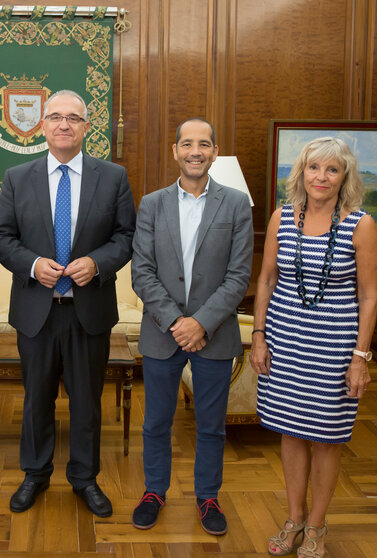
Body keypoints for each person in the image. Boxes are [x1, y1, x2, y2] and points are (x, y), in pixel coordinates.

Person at [0, 90, 136, 518]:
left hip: (89, 311)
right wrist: (33, 265)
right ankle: (35, 474)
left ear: (87, 127)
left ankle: (85, 478)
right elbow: (0, 237)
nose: (64, 124)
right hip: (36, 310)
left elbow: (125, 236)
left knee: (87, 401)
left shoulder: (113, 177)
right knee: (36, 399)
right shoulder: (18, 176)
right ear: (42, 126)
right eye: (55, 117)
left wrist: (97, 262)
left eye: (74, 117)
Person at [251, 137, 377, 557]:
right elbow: (267, 280)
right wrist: (258, 335)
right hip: (285, 344)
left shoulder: (361, 224)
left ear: (345, 177)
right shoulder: (281, 217)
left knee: (327, 437)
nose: (321, 177)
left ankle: (318, 526)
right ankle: (294, 518)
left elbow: (369, 296)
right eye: (313, 168)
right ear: (301, 173)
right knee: (290, 433)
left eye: (332, 170)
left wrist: (360, 358)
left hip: (335, 350)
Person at [130, 117, 253, 534]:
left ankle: (207, 498)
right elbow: (141, 272)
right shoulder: (151, 203)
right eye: (187, 144)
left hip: (215, 334)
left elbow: (239, 277)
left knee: (211, 424)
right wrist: (176, 322)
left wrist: (199, 323)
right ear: (175, 151)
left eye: (204, 144)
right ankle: (154, 492)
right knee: (156, 422)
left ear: (215, 152)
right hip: (161, 332)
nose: (195, 151)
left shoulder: (236, 204)